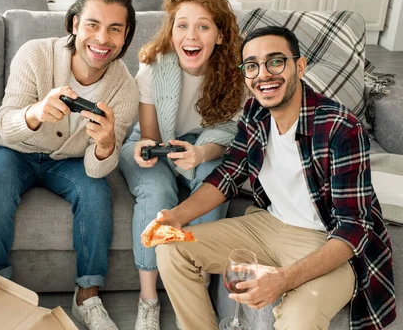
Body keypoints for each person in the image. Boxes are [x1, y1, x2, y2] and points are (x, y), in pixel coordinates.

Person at [154, 26, 396, 330]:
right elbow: (229, 174)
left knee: (298, 321)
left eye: (276, 61)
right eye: (252, 65)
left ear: (300, 65)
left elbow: (353, 229)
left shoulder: (340, 128)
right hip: (267, 225)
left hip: (326, 240)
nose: (263, 74)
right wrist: (175, 216)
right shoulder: (255, 111)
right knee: (171, 248)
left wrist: (285, 279)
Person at [0, 0, 139, 330]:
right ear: (75, 24)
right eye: (93, 24)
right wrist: (34, 113)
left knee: (97, 194)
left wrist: (106, 143)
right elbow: (4, 123)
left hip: (72, 161)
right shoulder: (34, 54)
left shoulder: (125, 87)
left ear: (125, 37)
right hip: (17, 151)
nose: (102, 39)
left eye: (115, 29)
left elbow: (98, 169)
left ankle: (88, 296)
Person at [118, 0, 245, 330]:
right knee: (159, 194)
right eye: (182, 25)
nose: (191, 35)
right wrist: (149, 151)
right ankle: (148, 298)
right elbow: (148, 136)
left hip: (203, 143)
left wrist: (201, 153)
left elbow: (227, 130)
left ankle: (197, 284)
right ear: (171, 31)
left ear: (220, 35)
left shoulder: (236, 73)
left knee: (215, 181)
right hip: (151, 144)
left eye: (203, 26)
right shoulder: (153, 66)